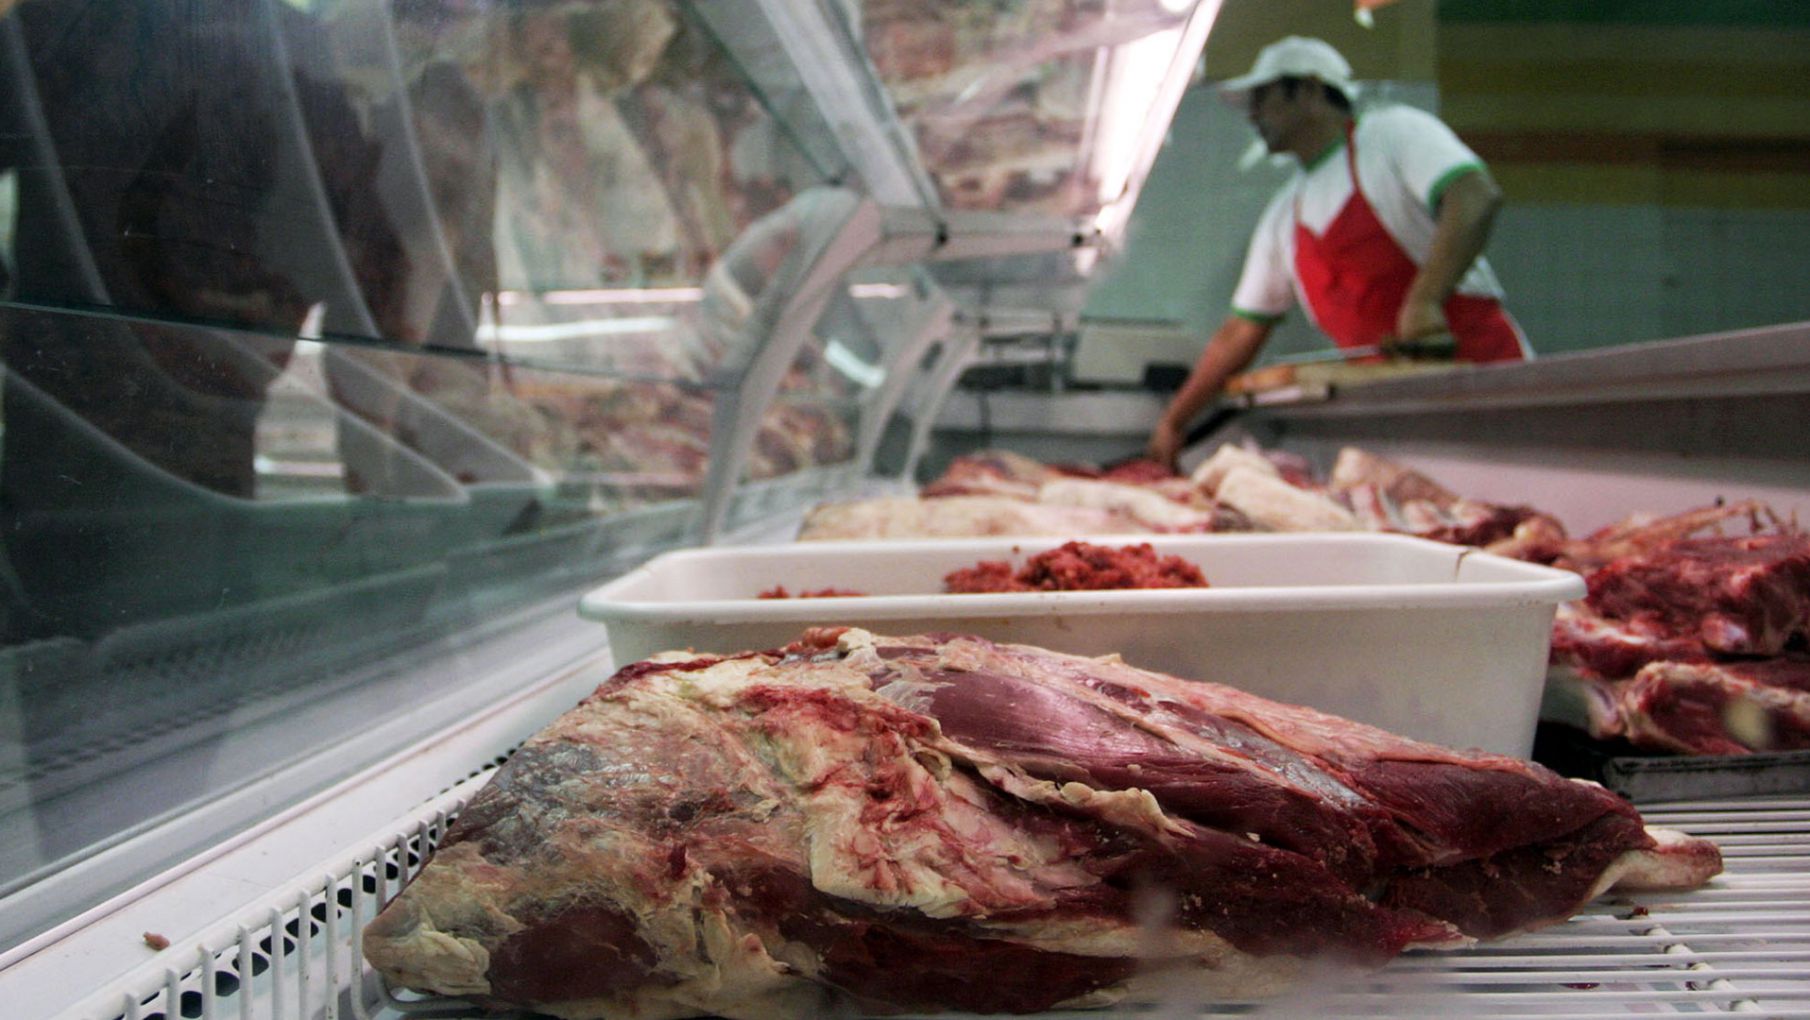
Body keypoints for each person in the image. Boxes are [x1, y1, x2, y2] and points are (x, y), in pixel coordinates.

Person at [1147, 36, 1528, 467]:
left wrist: (1424, 302)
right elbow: (1240, 332)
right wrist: (1175, 421)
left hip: (1484, 387)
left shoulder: (1390, 134)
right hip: (1391, 416)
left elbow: (1474, 196)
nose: (1253, 114)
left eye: (1263, 97)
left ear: (1309, 90)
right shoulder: (1284, 214)